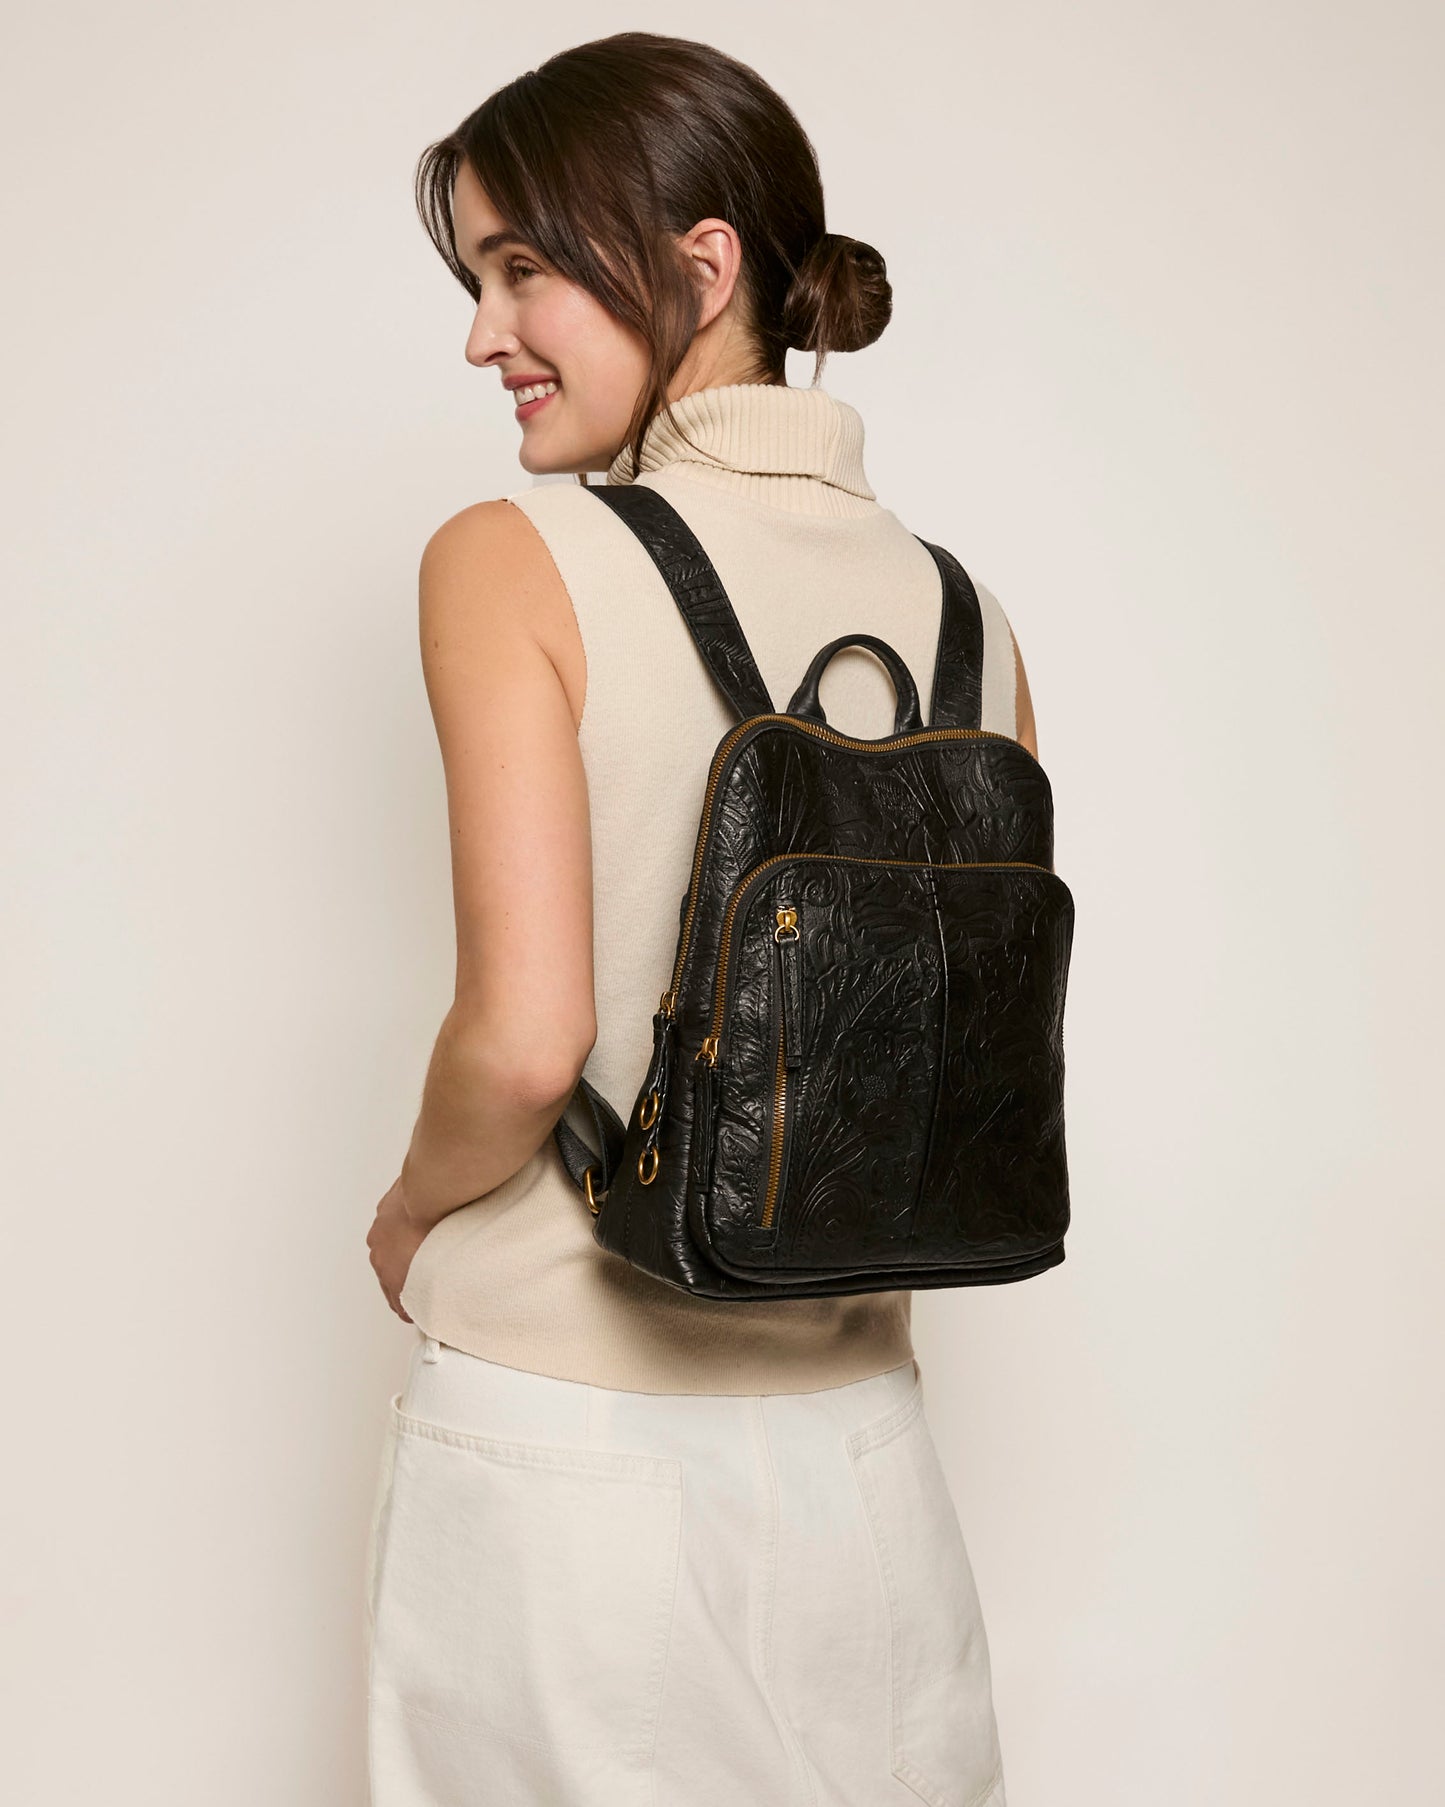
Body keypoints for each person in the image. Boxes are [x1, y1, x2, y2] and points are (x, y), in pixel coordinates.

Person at [364, 30, 1035, 1807]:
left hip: (564, 1451)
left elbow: (525, 1039)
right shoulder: (962, 610)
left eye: (519, 268)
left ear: (702, 263)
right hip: (866, 1463)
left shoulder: (513, 559)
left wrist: (410, 1214)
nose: (480, 333)